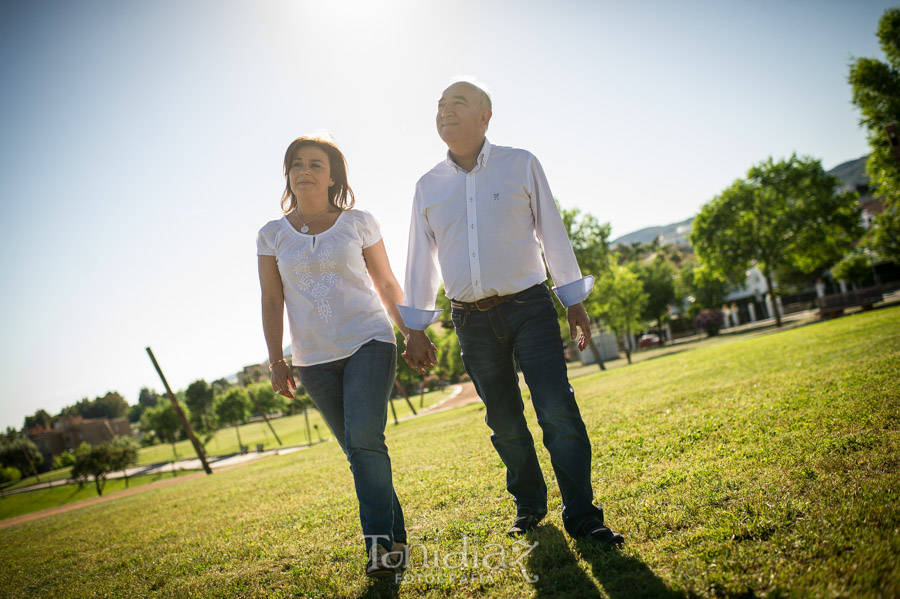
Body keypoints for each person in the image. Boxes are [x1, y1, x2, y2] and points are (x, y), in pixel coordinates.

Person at [399, 81, 624, 546]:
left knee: (556, 409)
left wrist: (573, 300)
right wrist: (416, 328)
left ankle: (583, 516)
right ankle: (529, 505)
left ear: (485, 115)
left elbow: (553, 233)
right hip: (469, 320)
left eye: (457, 103)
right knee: (503, 421)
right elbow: (419, 260)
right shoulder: (427, 187)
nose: (444, 111)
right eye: (439, 106)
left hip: (530, 306)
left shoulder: (520, 163)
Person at [257, 134, 409, 577]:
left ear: (332, 175)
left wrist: (410, 332)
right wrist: (276, 360)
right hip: (311, 359)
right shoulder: (271, 235)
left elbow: (385, 283)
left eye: (315, 164)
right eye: (297, 163)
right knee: (361, 451)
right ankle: (396, 538)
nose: (305, 170)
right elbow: (271, 300)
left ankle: (380, 549)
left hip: (369, 340)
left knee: (364, 441)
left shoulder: (357, 222)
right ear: (287, 173)